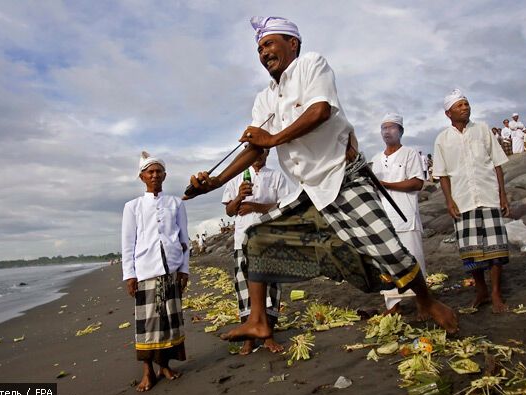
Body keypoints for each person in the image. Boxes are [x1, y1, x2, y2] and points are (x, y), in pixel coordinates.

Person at [185, 16, 458, 338]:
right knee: (256, 238)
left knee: (387, 248)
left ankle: (427, 301)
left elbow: (320, 111)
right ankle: (258, 320)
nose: (264, 53)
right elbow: (254, 146)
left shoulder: (311, 65)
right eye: (259, 48)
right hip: (311, 188)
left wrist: (271, 140)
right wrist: (214, 183)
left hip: (344, 176)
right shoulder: (265, 98)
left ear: (293, 44)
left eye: (269, 44)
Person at [433, 89, 510, 314]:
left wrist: (503, 195)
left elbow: (497, 164)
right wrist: (449, 201)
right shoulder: (442, 139)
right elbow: (443, 175)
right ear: (448, 113)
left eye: (466, 104)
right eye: (460, 105)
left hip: (488, 195)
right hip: (463, 200)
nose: (465, 107)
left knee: (496, 250)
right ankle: (481, 290)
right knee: (471, 252)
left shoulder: (483, 130)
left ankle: (496, 293)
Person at [121, 152, 190, 392]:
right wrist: (129, 275)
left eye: (158, 171)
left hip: (171, 268)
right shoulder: (133, 207)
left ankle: (165, 365)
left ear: (165, 175)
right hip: (146, 271)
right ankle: (148, 370)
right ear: (142, 177)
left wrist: (184, 269)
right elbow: (128, 243)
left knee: (169, 321)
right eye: (149, 171)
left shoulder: (176, 203)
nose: (154, 175)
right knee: (148, 324)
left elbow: (184, 239)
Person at [222, 148, 290, 355]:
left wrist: (256, 207)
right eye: (254, 152)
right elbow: (229, 211)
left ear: (267, 154)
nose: (259, 156)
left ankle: (268, 335)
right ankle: (249, 338)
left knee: (270, 287)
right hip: (243, 238)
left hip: (269, 237)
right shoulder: (235, 178)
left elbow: (285, 204)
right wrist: (239, 198)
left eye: (262, 152)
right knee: (244, 289)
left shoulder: (276, 175)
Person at [372, 113, 427, 314]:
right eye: (384, 128)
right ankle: (393, 305)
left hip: (406, 215)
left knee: (414, 258)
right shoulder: (376, 160)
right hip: (385, 219)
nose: (387, 131)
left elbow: (417, 183)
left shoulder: (409, 154)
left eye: (392, 127)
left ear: (401, 131)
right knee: (388, 262)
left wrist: (385, 184)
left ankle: (423, 302)